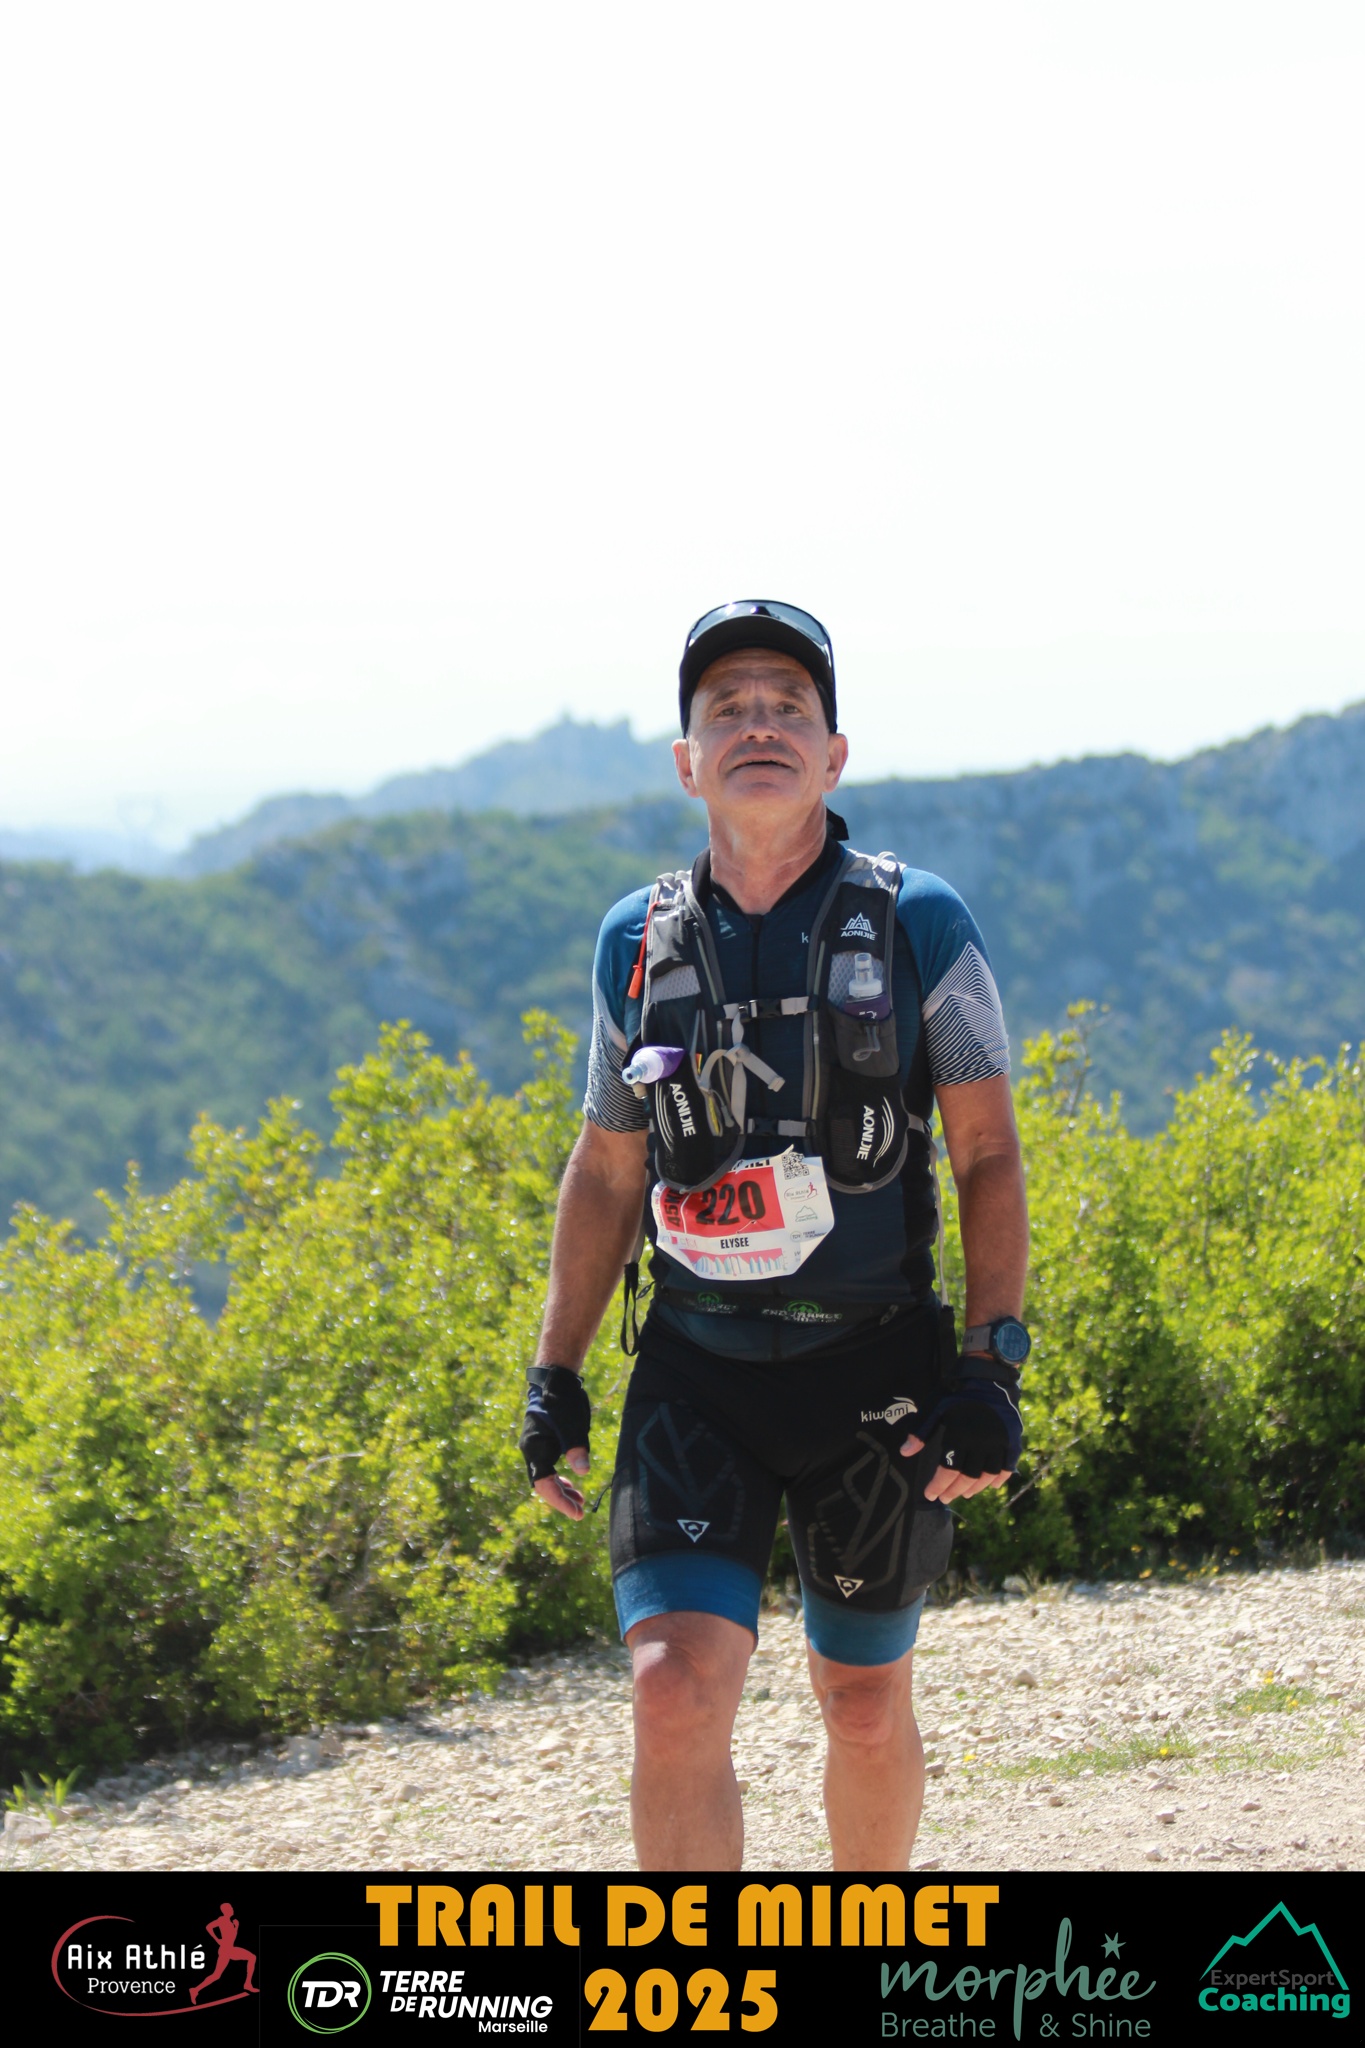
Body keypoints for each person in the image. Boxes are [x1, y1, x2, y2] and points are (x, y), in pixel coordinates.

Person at [520, 600, 1029, 1871]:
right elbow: (607, 1163)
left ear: (835, 754)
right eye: (729, 709)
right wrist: (555, 1373)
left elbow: (988, 1153)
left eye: (789, 707)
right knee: (671, 1690)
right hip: (697, 1366)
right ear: (686, 761)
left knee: (862, 1702)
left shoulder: (923, 922)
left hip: (876, 1364)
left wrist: (991, 1363)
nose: (760, 725)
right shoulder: (633, 939)